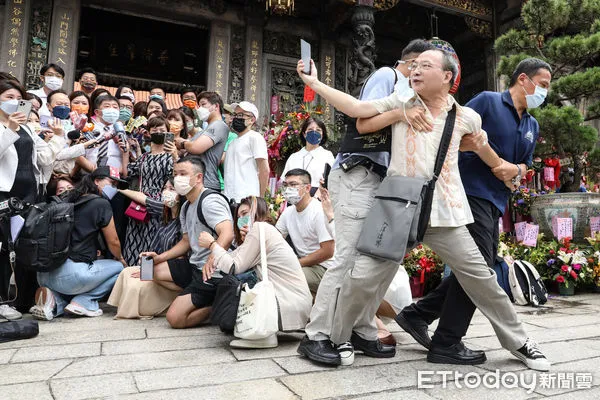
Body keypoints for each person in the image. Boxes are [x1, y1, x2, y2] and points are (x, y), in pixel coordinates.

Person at [295, 48, 550, 371]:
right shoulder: (402, 105)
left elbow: (486, 150)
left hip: (447, 211)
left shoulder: (467, 117)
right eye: (413, 66)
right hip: (398, 208)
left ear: (447, 77)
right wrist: (316, 84)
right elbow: (357, 110)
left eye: (425, 66)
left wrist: (508, 169)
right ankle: (341, 335)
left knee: (481, 278)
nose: (414, 71)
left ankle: (519, 342)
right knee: (362, 276)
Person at [396, 57, 552, 368]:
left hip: (495, 200)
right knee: (480, 269)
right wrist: (492, 158)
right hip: (466, 193)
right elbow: (453, 133)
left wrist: (515, 168)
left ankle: (418, 315)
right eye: (543, 85)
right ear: (524, 79)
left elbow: (527, 166)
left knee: (478, 268)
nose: (545, 92)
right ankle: (447, 341)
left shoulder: (531, 125)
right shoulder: (488, 102)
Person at [295, 39, 434, 366]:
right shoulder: (387, 76)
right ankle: (316, 333)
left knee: (378, 259)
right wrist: (402, 112)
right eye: (425, 66)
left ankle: (361, 325)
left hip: (387, 182)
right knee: (346, 257)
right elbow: (362, 120)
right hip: (358, 172)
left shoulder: (415, 96)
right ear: (413, 64)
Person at [200, 196, 312, 348]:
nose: (241, 219)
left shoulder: (260, 228)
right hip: (296, 303)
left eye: (245, 213)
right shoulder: (264, 231)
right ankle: (265, 333)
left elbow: (234, 267)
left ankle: (264, 335)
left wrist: (212, 244)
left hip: (287, 302)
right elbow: (231, 258)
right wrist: (214, 258)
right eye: (239, 216)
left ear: (257, 212)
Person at [138, 156, 234, 329]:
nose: (177, 178)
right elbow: (186, 241)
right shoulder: (186, 206)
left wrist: (212, 260)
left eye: (183, 173)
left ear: (198, 177)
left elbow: (227, 234)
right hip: (195, 265)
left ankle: (216, 306)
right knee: (153, 270)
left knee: (175, 319)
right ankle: (199, 296)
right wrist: (160, 257)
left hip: (214, 272)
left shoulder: (210, 201)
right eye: (175, 174)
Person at [29, 167, 127, 320]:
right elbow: (113, 241)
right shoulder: (100, 203)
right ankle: (84, 301)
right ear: (96, 181)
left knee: (83, 273)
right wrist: (120, 258)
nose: (114, 188)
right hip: (72, 275)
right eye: (111, 183)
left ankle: (56, 301)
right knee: (120, 269)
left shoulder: (67, 199)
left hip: (44, 274)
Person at [0, 79, 54, 315]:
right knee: (3, 247)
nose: (14, 102)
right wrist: (9, 128)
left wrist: (58, 138)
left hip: (29, 192)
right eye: (8, 97)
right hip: (4, 193)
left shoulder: (28, 128)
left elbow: (46, 157)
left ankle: (24, 299)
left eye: (17, 98)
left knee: (27, 245)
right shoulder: (6, 127)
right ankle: (2, 300)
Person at [108, 178, 183, 319]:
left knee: (136, 284)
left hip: (170, 272)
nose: (166, 192)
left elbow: (180, 257)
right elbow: (142, 198)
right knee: (127, 272)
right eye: (165, 188)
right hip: (156, 265)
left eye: (171, 189)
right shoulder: (164, 211)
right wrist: (119, 190)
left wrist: (150, 273)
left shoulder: (184, 219)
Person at [121, 116, 175, 266]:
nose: (158, 132)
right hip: (138, 203)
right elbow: (128, 173)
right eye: (154, 130)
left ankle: (148, 277)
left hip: (157, 204)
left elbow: (174, 180)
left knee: (152, 242)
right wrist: (125, 152)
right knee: (134, 240)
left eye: (162, 130)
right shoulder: (144, 157)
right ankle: (132, 273)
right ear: (149, 133)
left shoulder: (170, 157)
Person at [276, 169, 335, 296]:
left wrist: (296, 264)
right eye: (285, 185)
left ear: (308, 188)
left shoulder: (318, 211)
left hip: (325, 268)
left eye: (293, 185)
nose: (288, 189)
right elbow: (275, 238)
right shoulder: (288, 213)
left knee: (285, 277)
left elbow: (328, 251)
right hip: (304, 265)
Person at [176, 91, 228, 192]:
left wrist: (182, 143)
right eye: (199, 106)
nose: (200, 109)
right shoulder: (204, 130)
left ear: (216, 106)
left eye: (203, 104)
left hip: (206, 183)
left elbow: (196, 148)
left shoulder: (219, 125)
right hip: (194, 181)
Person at [223, 101, 269, 202]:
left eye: (240, 115)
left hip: (247, 198)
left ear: (252, 120)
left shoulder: (255, 138)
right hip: (229, 198)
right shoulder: (232, 142)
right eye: (235, 115)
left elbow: (264, 170)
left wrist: (260, 198)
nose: (236, 118)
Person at [281, 118, 335, 190]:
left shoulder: (327, 156)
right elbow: (283, 181)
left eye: (318, 130)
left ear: (322, 135)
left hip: (317, 197)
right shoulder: (294, 157)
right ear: (304, 134)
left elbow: (333, 181)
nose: (314, 132)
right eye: (310, 130)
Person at [217, 103, 239, 192]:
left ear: (231, 118)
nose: (220, 115)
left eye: (223, 113)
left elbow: (222, 159)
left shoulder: (232, 137)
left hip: (221, 185)